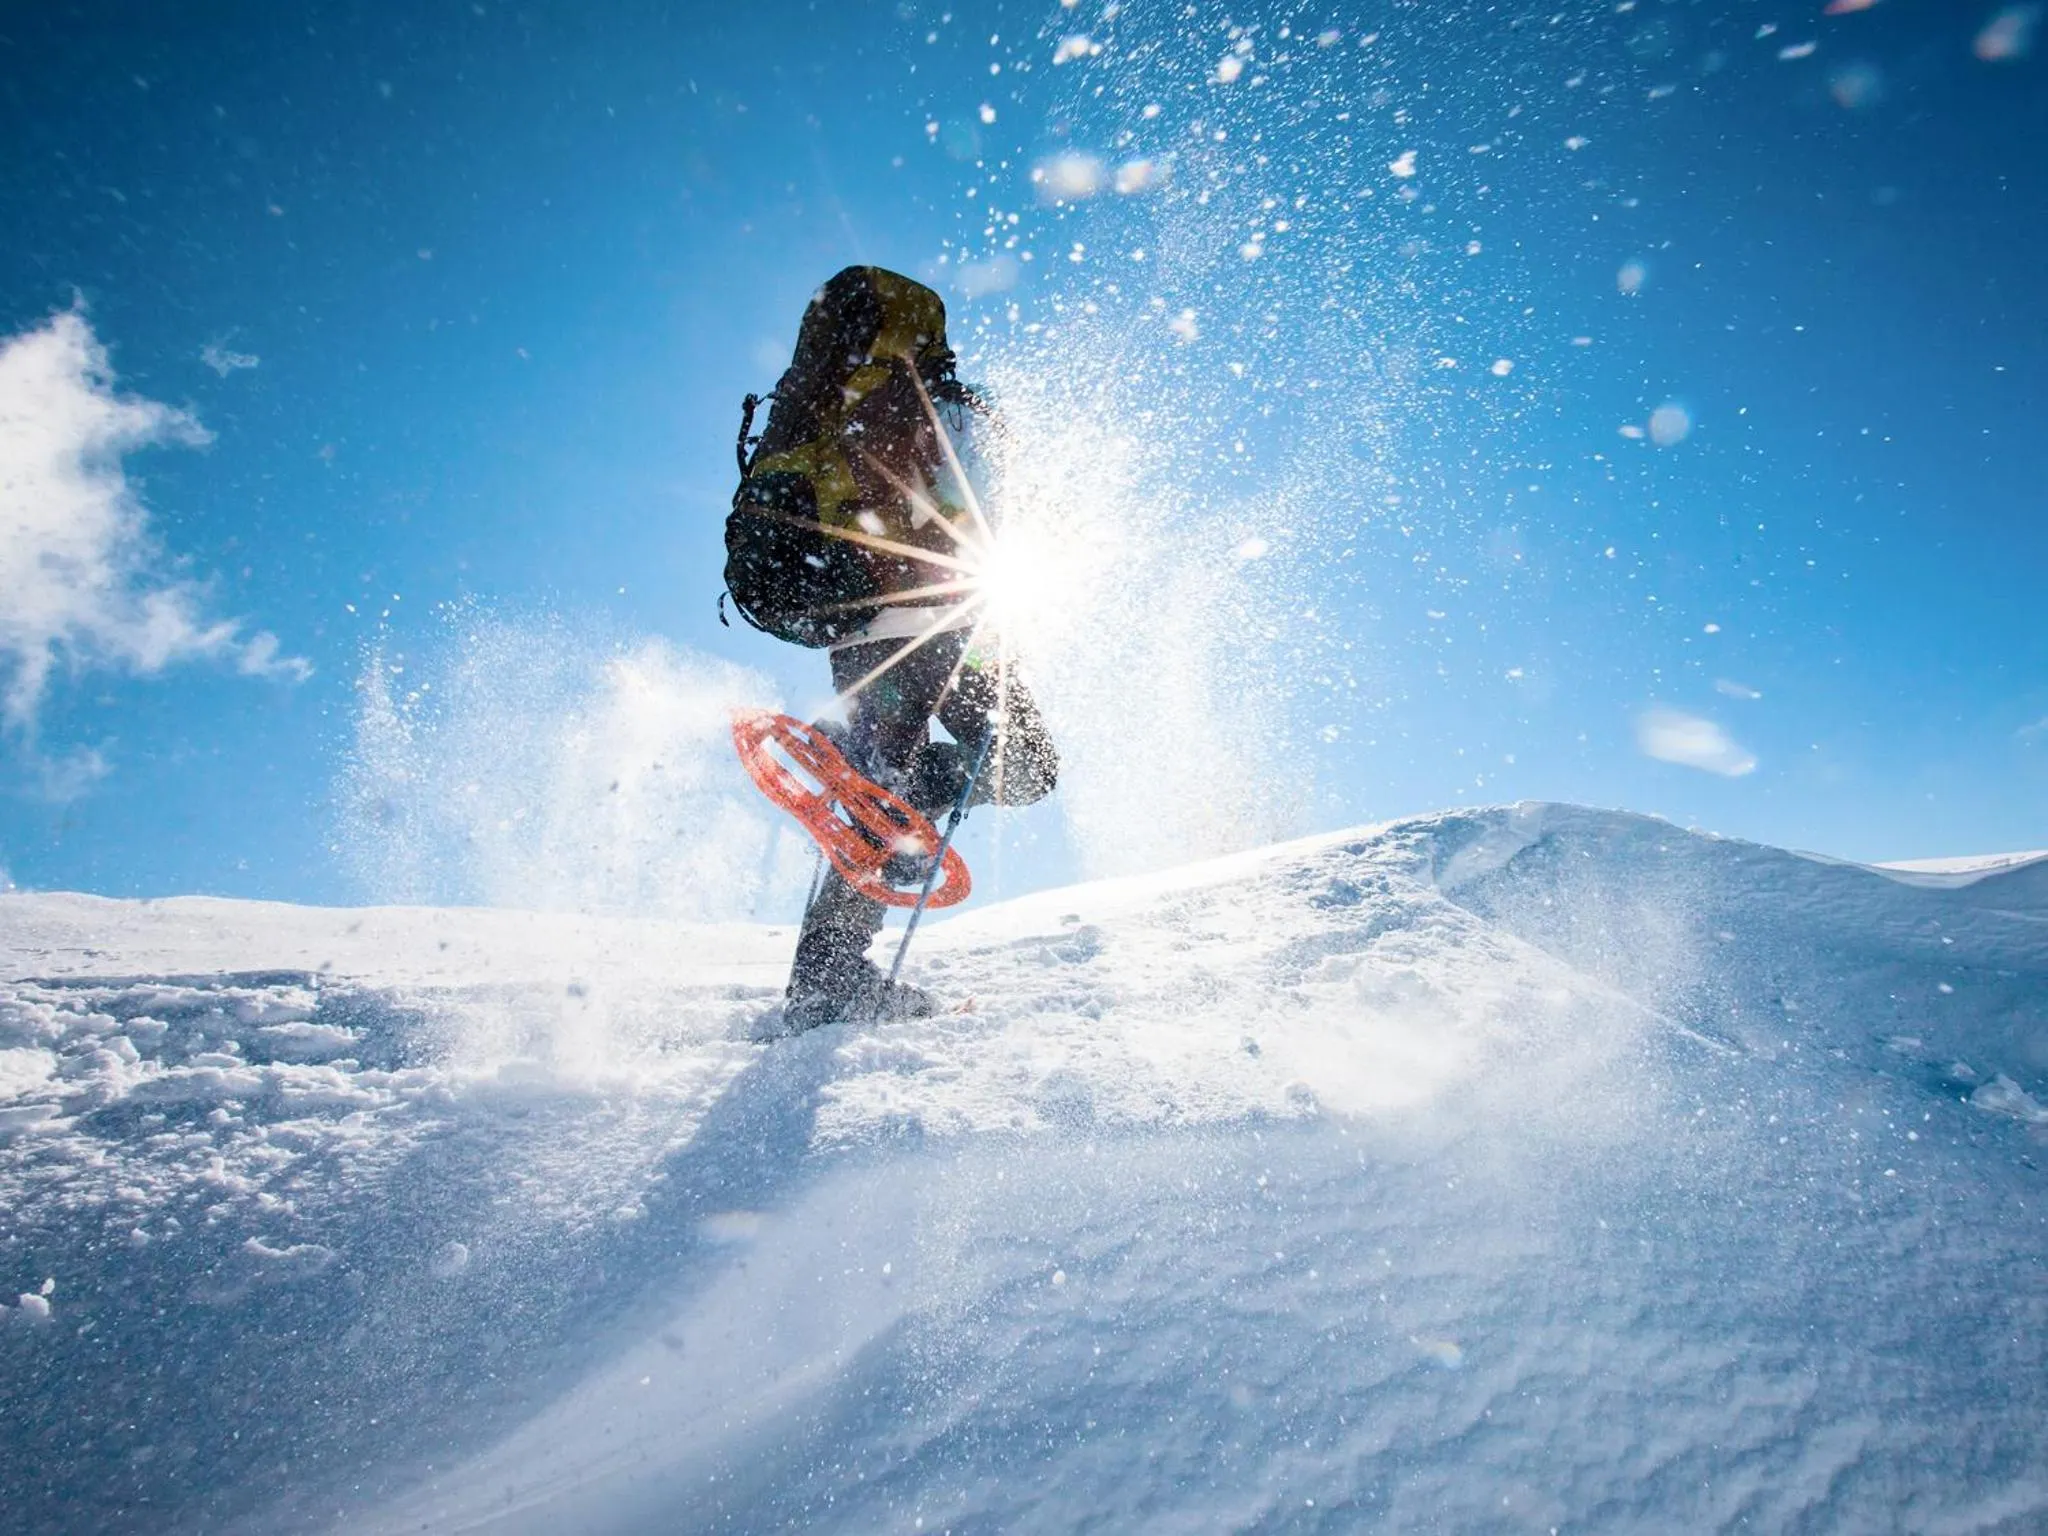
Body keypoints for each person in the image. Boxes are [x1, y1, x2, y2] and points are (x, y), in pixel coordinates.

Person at [724, 266, 1057, 1028]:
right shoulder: (939, 407)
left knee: (919, 786)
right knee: (1014, 764)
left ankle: (833, 956)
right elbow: (983, 516)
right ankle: (831, 976)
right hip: (939, 627)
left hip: (868, 630)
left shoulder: (843, 406)